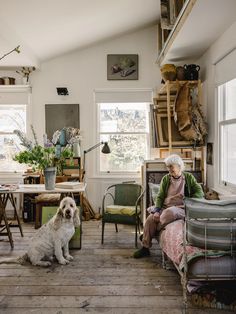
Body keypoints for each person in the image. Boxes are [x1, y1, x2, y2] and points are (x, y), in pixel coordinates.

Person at [133, 154, 204, 258]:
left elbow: (199, 193)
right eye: (168, 166)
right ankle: (145, 248)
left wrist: (188, 200)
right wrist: (157, 211)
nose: (169, 169)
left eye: (171, 166)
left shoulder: (188, 177)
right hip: (166, 207)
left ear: (179, 166)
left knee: (170, 212)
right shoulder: (166, 179)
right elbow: (160, 197)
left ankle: (150, 233)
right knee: (150, 219)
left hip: (182, 208)